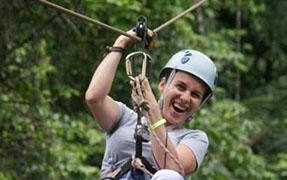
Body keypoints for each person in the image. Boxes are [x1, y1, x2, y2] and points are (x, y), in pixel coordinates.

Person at [85, 30, 218, 180]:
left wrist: (151, 109)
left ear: (200, 104)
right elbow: (95, 98)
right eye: (180, 87)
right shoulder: (124, 118)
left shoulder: (194, 138)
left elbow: (171, 167)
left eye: (195, 95)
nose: (185, 98)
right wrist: (120, 44)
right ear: (162, 84)